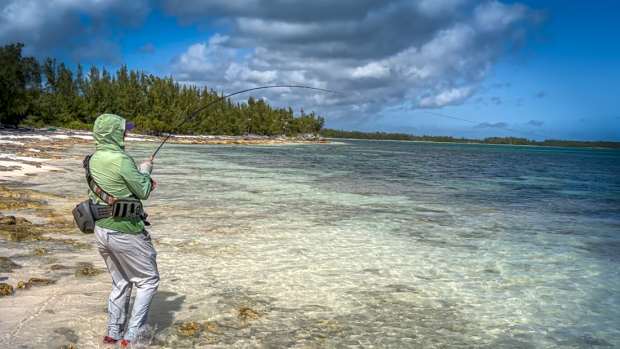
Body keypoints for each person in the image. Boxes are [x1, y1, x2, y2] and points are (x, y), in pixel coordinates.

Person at [87, 113, 159, 347]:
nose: (126, 133)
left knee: (121, 281)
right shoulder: (121, 159)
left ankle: (112, 333)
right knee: (148, 281)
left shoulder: (93, 158)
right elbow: (143, 191)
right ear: (114, 133)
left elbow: (116, 186)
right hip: (126, 231)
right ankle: (132, 337)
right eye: (123, 129)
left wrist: (140, 175)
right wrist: (146, 170)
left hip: (101, 231)